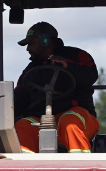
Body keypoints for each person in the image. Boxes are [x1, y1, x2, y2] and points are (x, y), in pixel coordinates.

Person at [12, 22, 99, 153]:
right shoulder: (29, 71)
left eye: (30, 43)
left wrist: (68, 66)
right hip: (40, 119)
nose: (27, 49)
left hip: (77, 114)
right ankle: (27, 170)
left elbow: (90, 75)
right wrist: (0, 111)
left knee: (70, 123)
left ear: (44, 41)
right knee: (22, 127)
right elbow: (18, 99)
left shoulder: (77, 56)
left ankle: (79, 168)